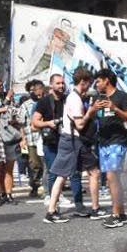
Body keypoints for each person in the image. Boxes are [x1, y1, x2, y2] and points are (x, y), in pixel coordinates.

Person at [44, 68, 103, 223]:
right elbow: (80, 124)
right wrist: (90, 112)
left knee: (90, 172)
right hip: (72, 141)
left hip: (74, 140)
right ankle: (51, 212)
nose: (89, 87)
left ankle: (94, 208)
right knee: (65, 175)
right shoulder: (75, 99)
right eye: (88, 84)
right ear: (82, 82)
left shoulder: (75, 97)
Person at [32, 73, 85, 215]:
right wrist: (48, 123)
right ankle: (54, 204)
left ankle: (79, 204)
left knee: (74, 173)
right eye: (58, 83)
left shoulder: (68, 99)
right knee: (54, 173)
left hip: (68, 140)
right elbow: (34, 123)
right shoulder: (44, 102)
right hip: (51, 142)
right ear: (51, 85)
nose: (61, 86)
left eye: (63, 83)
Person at [92, 69, 127, 228]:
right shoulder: (98, 97)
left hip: (118, 140)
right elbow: (91, 117)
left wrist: (114, 108)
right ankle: (122, 213)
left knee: (112, 177)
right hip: (103, 141)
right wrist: (92, 109)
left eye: (98, 81)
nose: (96, 84)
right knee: (112, 179)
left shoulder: (122, 97)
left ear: (106, 81)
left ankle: (116, 214)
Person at [19, 80, 45, 199]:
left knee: (46, 164)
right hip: (31, 139)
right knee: (35, 164)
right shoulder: (26, 105)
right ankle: (34, 184)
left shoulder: (46, 101)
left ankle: (46, 186)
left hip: (45, 137)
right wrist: (23, 138)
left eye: (40, 89)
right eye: (36, 90)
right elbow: (21, 123)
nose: (38, 92)